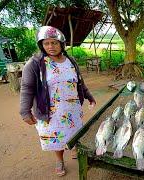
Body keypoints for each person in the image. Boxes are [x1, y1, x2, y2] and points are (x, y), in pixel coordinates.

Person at [20, 26, 96, 176]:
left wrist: (89, 97)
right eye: (46, 43)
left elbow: (79, 82)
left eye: (54, 43)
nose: (50, 46)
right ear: (41, 45)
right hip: (51, 112)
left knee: (76, 133)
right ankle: (59, 160)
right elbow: (27, 88)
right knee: (57, 137)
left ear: (62, 44)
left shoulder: (70, 60)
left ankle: (76, 151)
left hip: (72, 109)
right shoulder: (35, 63)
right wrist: (24, 111)